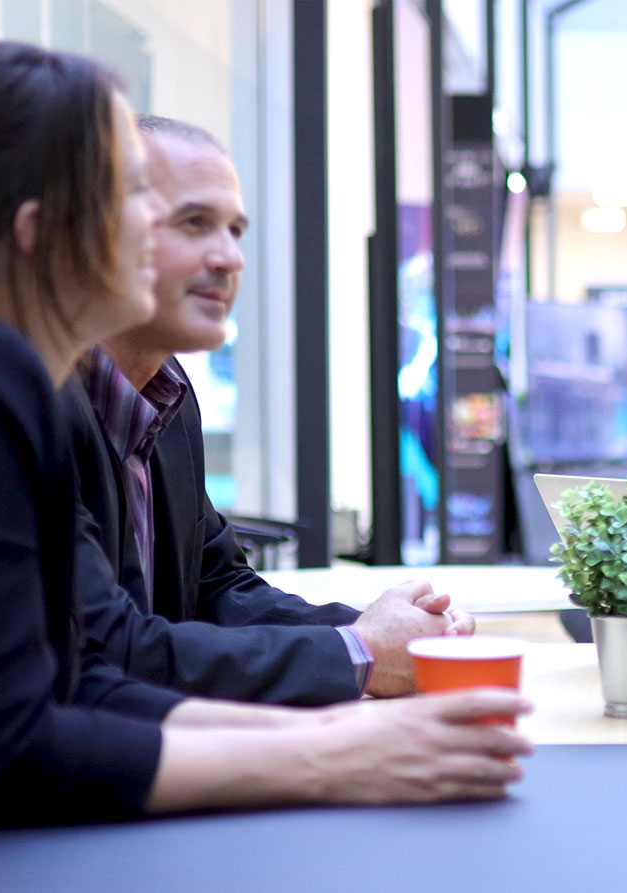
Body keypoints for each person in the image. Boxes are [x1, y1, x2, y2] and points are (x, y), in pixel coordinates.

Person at [0, 43, 527, 893]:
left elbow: (84, 686)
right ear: (40, 233)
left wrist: (357, 725)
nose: (215, 249)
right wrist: (335, 751)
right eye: (142, 197)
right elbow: (17, 748)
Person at [67, 114, 465, 706]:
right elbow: (107, 654)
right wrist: (358, 654)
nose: (230, 258)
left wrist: (377, 634)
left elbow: (218, 587)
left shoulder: (168, 398)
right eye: (195, 223)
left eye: (234, 231)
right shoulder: (33, 408)